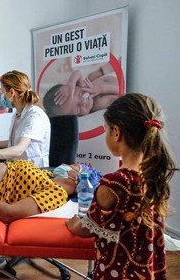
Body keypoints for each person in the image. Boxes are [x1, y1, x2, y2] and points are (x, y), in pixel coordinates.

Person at [65, 93, 179, 280]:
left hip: (119, 271)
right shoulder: (152, 174)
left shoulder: (114, 183)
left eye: (106, 129)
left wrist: (72, 223)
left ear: (116, 132)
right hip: (146, 269)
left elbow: (85, 228)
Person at [0, 70, 51, 168]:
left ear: (11, 92)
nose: (2, 96)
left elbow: (19, 149)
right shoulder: (17, 114)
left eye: (2, 92)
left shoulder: (35, 115)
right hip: (16, 169)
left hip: (32, 173)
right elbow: (13, 143)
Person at [43, 62, 119, 117]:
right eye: (78, 109)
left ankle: (112, 65)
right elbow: (121, 91)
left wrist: (70, 84)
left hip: (106, 75)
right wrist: (100, 90)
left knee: (90, 77)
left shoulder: (82, 87)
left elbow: (78, 73)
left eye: (79, 94)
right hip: (119, 81)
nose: (83, 102)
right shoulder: (99, 104)